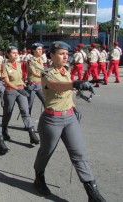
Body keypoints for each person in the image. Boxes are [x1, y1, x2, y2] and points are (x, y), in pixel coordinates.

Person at [33, 41, 106, 202]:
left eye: (67, 53)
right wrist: (75, 83)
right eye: (61, 53)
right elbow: (56, 86)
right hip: (52, 120)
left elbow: (67, 94)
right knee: (46, 152)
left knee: (79, 154)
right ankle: (39, 177)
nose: (66, 56)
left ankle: (92, 193)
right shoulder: (47, 74)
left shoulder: (66, 70)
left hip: (70, 118)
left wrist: (73, 106)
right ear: (52, 55)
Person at [1, 45, 39, 145]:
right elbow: (7, 82)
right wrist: (18, 88)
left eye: (17, 52)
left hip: (21, 90)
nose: (16, 54)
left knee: (25, 111)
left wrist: (24, 85)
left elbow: (20, 78)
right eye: (13, 53)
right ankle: (4, 129)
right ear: (8, 54)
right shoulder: (5, 66)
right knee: (8, 112)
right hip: (10, 91)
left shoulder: (19, 64)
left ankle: (31, 132)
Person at [27, 43, 45, 116]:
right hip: (32, 85)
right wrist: (45, 76)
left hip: (40, 84)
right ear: (33, 50)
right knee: (29, 104)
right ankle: (28, 122)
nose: (40, 51)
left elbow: (43, 71)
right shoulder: (31, 61)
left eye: (41, 49)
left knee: (46, 102)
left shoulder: (41, 59)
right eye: (38, 49)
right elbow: (34, 73)